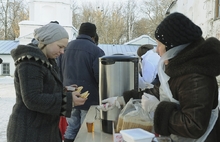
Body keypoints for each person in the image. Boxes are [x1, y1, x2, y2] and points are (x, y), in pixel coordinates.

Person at [99, 12, 220, 142]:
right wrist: (122, 100)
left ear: (172, 47)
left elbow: (194, 125)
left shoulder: (196, 76)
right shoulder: (177, 68)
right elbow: (156, 93)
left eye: (159, 44)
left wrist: (158, 109)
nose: (157, 50)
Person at [7, 23, 87, 142]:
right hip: (29, 133)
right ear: (47, 41)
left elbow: (44, 88)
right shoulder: (30, 62)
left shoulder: (47, 60)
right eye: (60, 47)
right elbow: (32, 98)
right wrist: (68, 100)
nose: (62, 52)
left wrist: (65, 90)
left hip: (44, 130)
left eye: (64, 48)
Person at [61, 22, 105, 142]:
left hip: (69, 94)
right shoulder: (96, 51)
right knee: (86, 129)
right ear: (93, 36)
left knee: (71, 127)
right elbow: (99, 76)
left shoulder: (65, 47)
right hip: (88, 97)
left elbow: (59, 70)